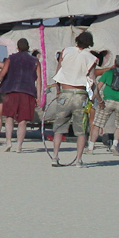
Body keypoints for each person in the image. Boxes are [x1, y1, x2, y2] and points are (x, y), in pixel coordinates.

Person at [50, 31, 97, 167]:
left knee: (59, 127)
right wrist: (94, 98)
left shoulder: (66, 51)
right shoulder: (91, 58)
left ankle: (55, 156)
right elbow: (92, 80)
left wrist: (58, 91)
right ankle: (78, 160)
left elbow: (58, 71)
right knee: (81, 130)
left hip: (65, 92)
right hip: (80, 95)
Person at [0, 38, 42, 152]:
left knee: (9, 117)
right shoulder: (35, 61)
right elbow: (39, 81)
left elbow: (1, 75)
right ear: (28, 47)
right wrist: (39, 97)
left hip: (11, 91)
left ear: (17, 48)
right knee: (23, 120)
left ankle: (9, 142)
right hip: (27, 92)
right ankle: (19, 146)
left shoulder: (11, 59)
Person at [88, 55, 119, 155]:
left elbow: (98, 88)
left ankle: (91, 147)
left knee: (97, 124)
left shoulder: (108, 73)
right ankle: (114, 145)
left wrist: (99, 100)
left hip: (107, 101)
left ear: (115, 62)